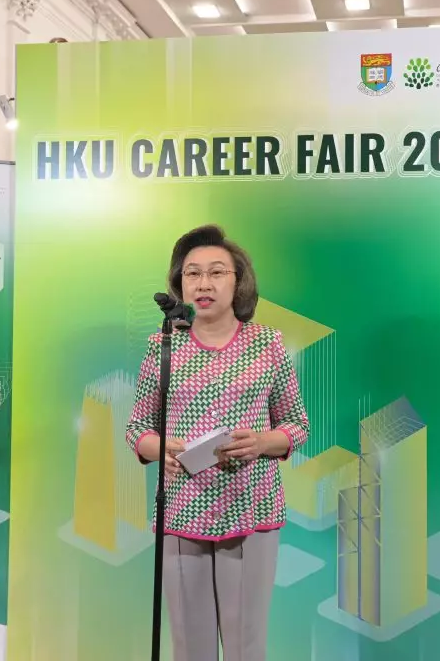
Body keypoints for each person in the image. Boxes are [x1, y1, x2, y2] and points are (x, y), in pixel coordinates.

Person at [126, 225, 309, 661]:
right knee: (190, 646)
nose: (203, 283)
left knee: (246, 645)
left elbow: (296, 424)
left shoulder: (268, 344)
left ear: (238, 281)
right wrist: (160, 448)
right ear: (180, 283)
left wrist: (261, 442)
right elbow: (138, 429)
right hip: (182, 506)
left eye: (216, 272)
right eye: (192, 274)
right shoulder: (162, 345)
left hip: (251, 506)